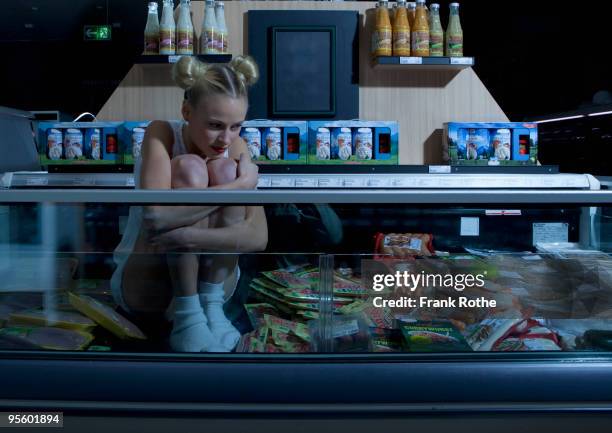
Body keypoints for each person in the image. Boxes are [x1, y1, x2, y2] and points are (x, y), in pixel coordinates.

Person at [111, 55, 268, 353]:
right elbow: (156, 218)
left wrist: (185, 237)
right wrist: (239, 187)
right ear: (186, 111)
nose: (226, 138)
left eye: (236, 127)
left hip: (215, 290)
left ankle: (207, 306)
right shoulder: (161, 133)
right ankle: (187, 310)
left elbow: (258, 238)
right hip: (149, 282)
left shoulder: (236, 146)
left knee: (222, 168)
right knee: (190, 168)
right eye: (215, 125)